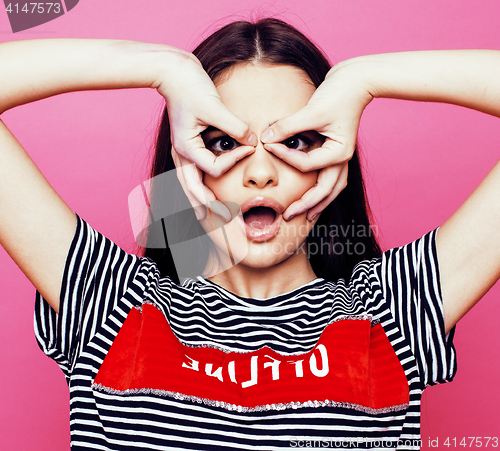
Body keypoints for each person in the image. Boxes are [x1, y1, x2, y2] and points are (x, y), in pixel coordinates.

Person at [0, 17, 498, 451]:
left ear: (335, 158)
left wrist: (363, 79)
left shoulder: (394, 313)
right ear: (183, 158)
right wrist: (162, 68)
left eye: (298, 140)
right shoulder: (111, 304)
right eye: (222, 141)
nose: (260, 173)